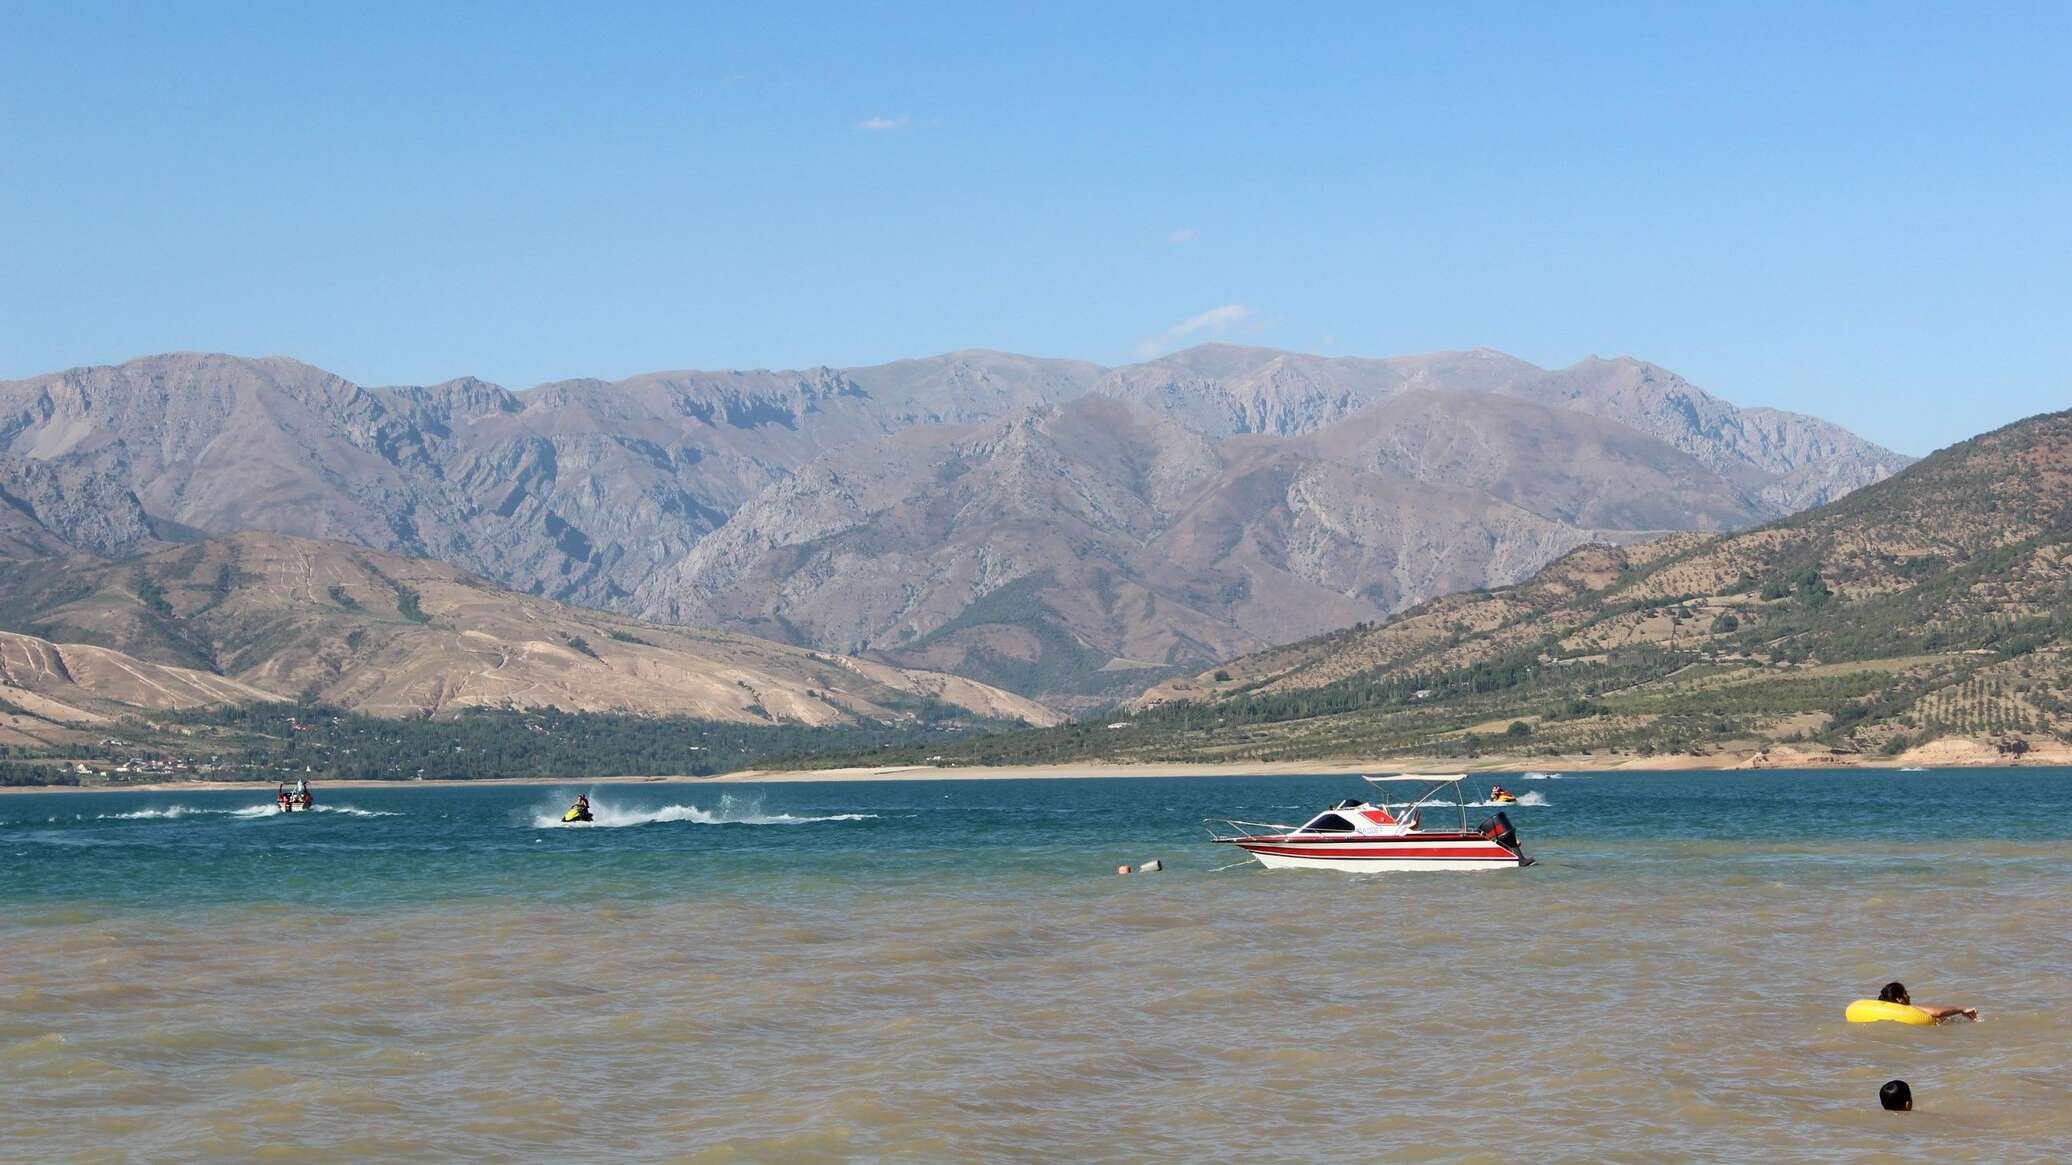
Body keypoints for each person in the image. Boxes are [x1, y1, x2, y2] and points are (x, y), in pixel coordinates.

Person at [1878, 981, 1978, 1022]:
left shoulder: (1879, 1010)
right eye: (1905, 993)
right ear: (1899, 1000)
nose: (1909, 996)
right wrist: (1962, 1009)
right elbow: (1937, 1013)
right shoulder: (1907, 1009)